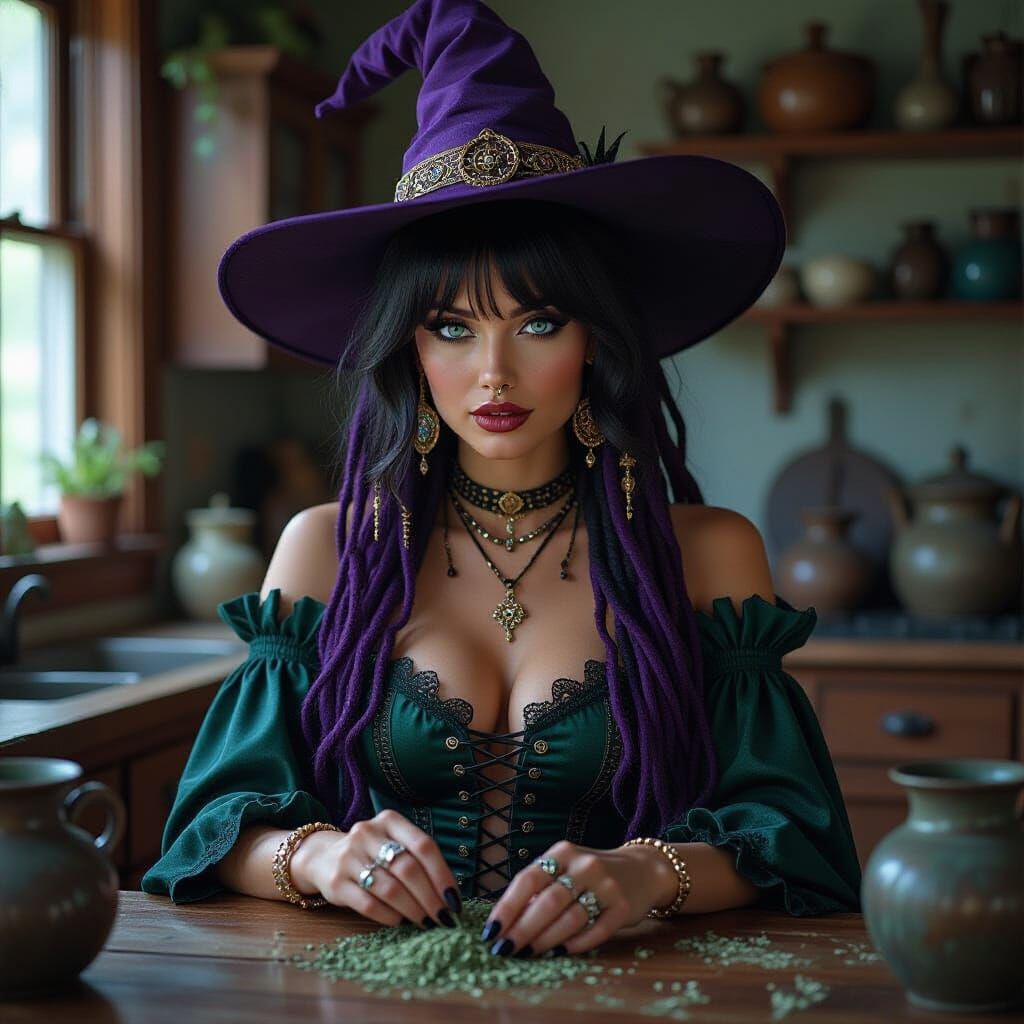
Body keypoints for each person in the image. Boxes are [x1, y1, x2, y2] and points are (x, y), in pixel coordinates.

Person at [142, 0, 862, 960]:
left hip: (630, 993)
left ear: (596, 339)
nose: (493, 374)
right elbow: (212, 827)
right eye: (452, 328)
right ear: (408, 348)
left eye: (537, 323)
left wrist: (649, 872)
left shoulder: (709, 554)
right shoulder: (329, 547)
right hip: (368, 996)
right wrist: (320, 857)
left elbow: (796, 838)